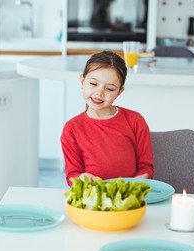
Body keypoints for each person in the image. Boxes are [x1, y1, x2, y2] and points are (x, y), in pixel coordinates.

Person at [60, 50, 154, 186]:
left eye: (109, 89)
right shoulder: (72, 129)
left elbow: (146, 167)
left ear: (119, 92)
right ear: (82, 81)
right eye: (93, 84)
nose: (99, 93)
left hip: (128, 196)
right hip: (93, 198)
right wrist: (81, 179)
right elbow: (72, 175)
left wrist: (141, 178)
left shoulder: (135, 120)